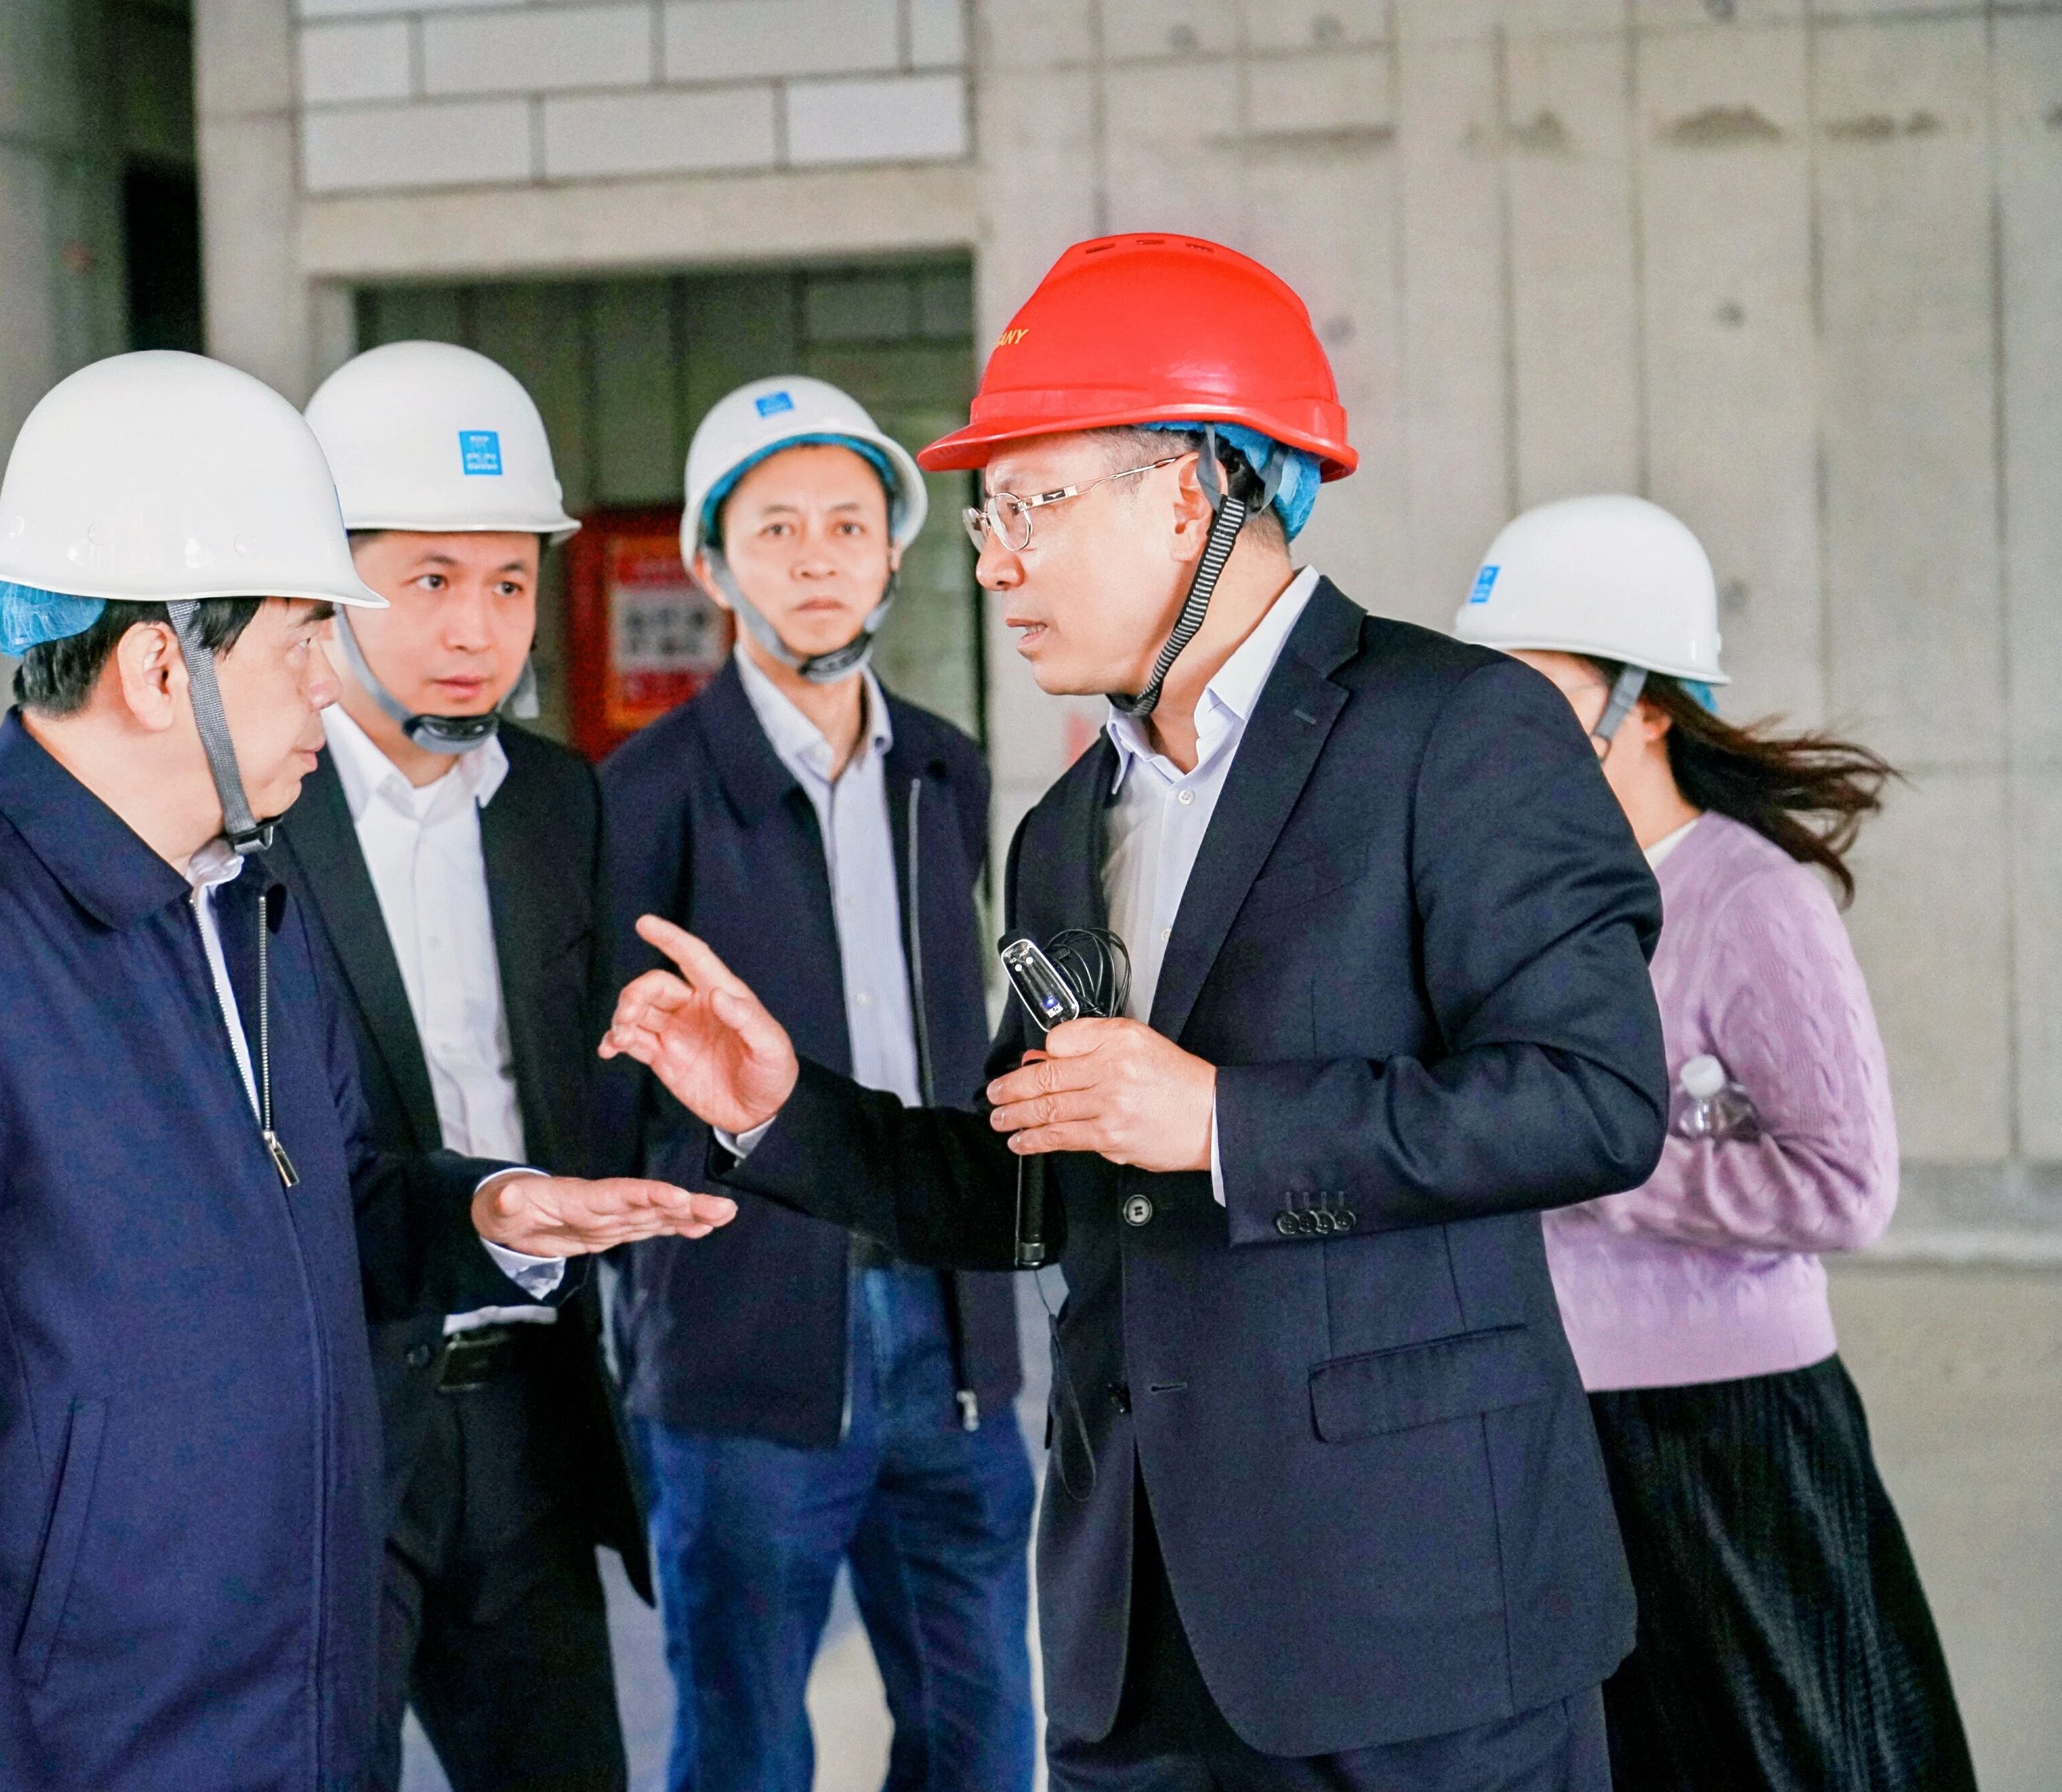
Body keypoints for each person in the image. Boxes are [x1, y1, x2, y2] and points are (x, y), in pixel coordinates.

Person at [603, 235, 1670, 1791]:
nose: (992, 563)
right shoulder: (1067, 827)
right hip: (1135, 1630)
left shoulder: (1456, 730)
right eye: (987, 519)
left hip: (1413, 1614)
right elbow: (1033, 1184)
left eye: (1028, 506)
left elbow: (1594, 1098)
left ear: (1189, 494)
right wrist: (782, 1109)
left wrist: (1221, 1120)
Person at [0, 349, 730, 1791]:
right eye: (298, 641)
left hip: (296, 1693)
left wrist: (488, 1212)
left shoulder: (241, 903)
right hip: (104, 1742)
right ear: (163, 669)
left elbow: (331, 1200)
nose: (330, 689)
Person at [1455, 494, 1978, 1792]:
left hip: (1728, 1431)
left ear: (1644, 705)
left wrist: (1593, 1155)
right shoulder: (1515, 896)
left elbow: (1845, 1186)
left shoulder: (1750, 898)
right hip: (1548, 1412)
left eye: (1537, 694)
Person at [601, 375, 1032, 1792]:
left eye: (847, 523)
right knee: (744, 1747)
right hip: (745, 1340)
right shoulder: (644, 793)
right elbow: (608, 1087)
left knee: (983, 1738)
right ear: (712, 565)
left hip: (949, 1334)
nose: (814, 557)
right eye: (773, 527)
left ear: (892, 552)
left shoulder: (946, 772)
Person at [280, 340, 648, 1791]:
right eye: (427, 578)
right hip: (326, 1424)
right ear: (328, 578)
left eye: (506, 583)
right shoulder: (253, 810)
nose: (473, 629)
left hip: (530, 1407)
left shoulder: (557, 804)